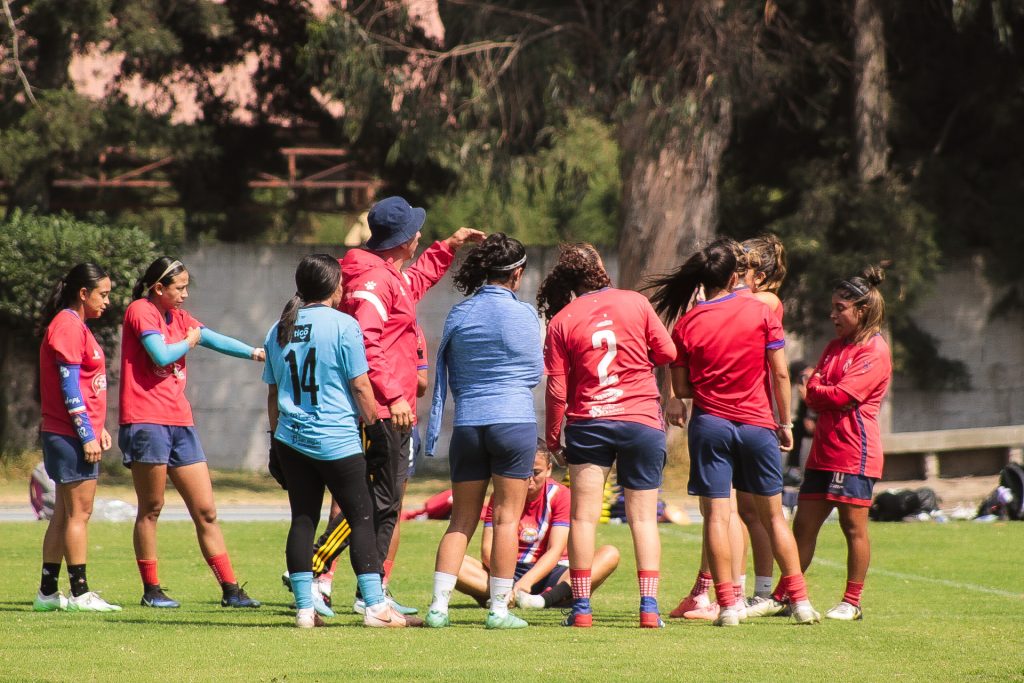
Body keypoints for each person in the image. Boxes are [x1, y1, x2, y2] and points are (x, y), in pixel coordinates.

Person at [649, 238, 819, 626]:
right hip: (758, 424)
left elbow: (685, 388)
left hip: (711, 426)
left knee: (716, 517)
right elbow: (779, 371)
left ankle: (727, 606)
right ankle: (802, 602)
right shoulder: (760, 311)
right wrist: (785, 421)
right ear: (734, 275)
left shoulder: (687, 323)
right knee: (775, 517)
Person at [338, 196, 484, 612]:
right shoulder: (373, 282)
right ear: (404, 240)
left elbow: (415, 282)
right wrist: (395, 394)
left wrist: (450, 244)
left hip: (391, 407)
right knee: (379, 505)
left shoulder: (387, 274)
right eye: (416, 230)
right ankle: (353, 591)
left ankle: (369, 592)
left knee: (383, 505)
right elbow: (366, 344)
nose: (420, 235)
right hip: (384, 409)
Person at [264, 254, 407, 628]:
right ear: (332, 285)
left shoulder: (279, 328)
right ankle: (375, 607)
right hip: (336, 438)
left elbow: (273, 392)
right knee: (362, 516)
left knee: (303, 519)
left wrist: (272, 442)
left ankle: (304, 610)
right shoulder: (344, 325)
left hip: (290, 438)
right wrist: (376, 431)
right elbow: (361, 384)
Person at [539, 243, 676, 628]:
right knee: (644, 520)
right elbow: (667, 352)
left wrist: (553, 439)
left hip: (589, 423)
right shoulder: (634, 302)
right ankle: (649, 609)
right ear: (600, 269)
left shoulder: (562, 320)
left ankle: (582, 610)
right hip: (641, 420)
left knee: (583, 519)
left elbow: (556, 391)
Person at [119, 256, 264, 609]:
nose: (185, 294)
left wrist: (255, 353)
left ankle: (231, 590)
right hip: (146, 420)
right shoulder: (141, 310)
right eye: (179, 288)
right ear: (158, 288)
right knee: (151, 508)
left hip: (180, 422)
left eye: (186, 287)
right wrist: (191, 342)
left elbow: (212, 338)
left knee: (206, 511)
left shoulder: (180, 318)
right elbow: (160, 354)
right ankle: (151, 590)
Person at [423, 233, 542, 629]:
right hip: (513, 421)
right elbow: (533, 373)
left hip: (469, 423)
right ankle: (499, 611)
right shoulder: (524, 314)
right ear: (517, 272)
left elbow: (450, 369)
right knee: (507, 519)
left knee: (461, 519)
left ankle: (438, 608)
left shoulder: (460, 313)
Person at [791, 267, 892, 621]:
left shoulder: (874, 350)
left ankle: (852, 602)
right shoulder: (834, 347)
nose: (832, 315)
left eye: (840, 308)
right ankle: (788, 594)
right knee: (802, 525)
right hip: (822, 452)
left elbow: (840, 395)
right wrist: (822, 393)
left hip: (854, 453)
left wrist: (822, 393)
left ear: (861, 310)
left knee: (853, 528)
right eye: (832, 307)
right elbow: (816, 394)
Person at [34, 263, 121, 613]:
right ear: (83, 294)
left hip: (70, 432)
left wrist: (96, 426)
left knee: (63, 515)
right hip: (68, 435)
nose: (108, 301)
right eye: (103, 294)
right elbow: (68, 386)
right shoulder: (68, 325)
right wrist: (86, 433)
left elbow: (83, 386)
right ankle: (81, 592)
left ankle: (46, 593)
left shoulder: (75, 326)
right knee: (78, 515)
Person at [451, 442, 620, 611]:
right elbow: (487, 550)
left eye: (536, 472)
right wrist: (505, 580)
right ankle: (511, 595)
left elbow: (555, 551)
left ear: (548, 469)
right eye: (523, 472)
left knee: (609, 554)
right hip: (507, 570)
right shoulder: (500, 496)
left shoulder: (562, 496)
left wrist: (526, 582)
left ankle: (543, 599)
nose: (529, 478)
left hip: (553, 572)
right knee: (453, 560)